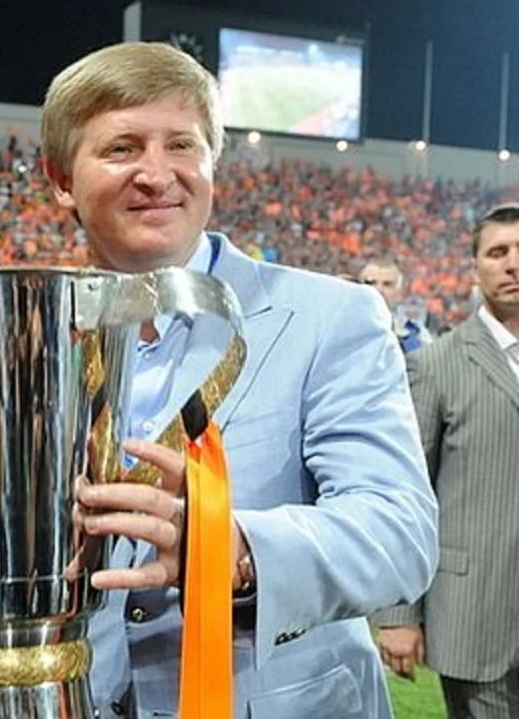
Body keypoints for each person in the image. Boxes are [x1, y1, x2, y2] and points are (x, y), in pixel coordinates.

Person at [41, 42, 438, 718]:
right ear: (60, 179)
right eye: (122, 148)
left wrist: (241, 549)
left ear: (212, 164)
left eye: (182, 145)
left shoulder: (330, 315)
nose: (156, 174)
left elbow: (399, 531)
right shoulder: (31, 336)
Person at [374, 203, 519, 719]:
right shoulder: (434, 366)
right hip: (476, 613)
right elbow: (405, 493)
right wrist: (398, 614)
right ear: (475, 269)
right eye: (498, 252)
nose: (513, 264)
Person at [358, 258, 433, 353]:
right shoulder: (342, 326)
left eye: (387, 284)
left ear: (400, 293)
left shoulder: (418, 336)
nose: (378, 289)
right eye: (370, 283)